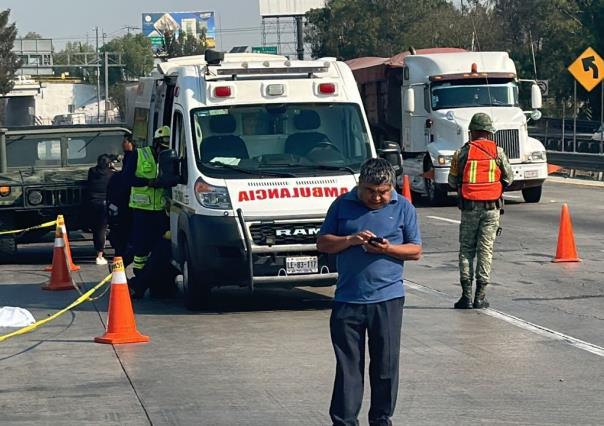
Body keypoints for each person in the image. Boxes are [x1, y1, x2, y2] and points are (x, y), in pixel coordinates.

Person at [317, 158, 422, 426]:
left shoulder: (404, 208)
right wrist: (350, 240)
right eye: (370, 191)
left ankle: (381, 418)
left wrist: (387, 249)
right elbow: (323, 242)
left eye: (383, 192)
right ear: (359, 186)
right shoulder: (342, 205)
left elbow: (415, 250)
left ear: (392, 187)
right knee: (349, 367)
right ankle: (344, 420)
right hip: (347, 300)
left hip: (387, 299)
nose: (376, 197)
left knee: (386, 366)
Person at [448, 112, 513, 309]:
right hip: (491, 209)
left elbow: (452, 181)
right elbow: (509, 179)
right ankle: (480, 297)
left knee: (466, 251)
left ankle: (466, 297)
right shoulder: (498, 152)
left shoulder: (461, 153)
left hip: (469, 209)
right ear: (488, 132)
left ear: (472, 132)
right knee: (485, 250)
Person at [123, 125, 171, 280]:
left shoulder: (169, 158)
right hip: (141, 209)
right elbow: (127, 178)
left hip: (161, 210)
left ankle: (154, 276)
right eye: (162, 148)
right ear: (156, 144)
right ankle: (139, 273)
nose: (163, 152)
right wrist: (148, 182)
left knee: (160, 244)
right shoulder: (139, 155)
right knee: (141, 245)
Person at [86, 154, 115, 265]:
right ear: (108, 164)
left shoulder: (92, 171)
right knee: (103, 229)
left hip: (92, 203)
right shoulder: (111, 174)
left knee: (96, 229)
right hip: (105, 204)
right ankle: (100, 255)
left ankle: (98, 251)